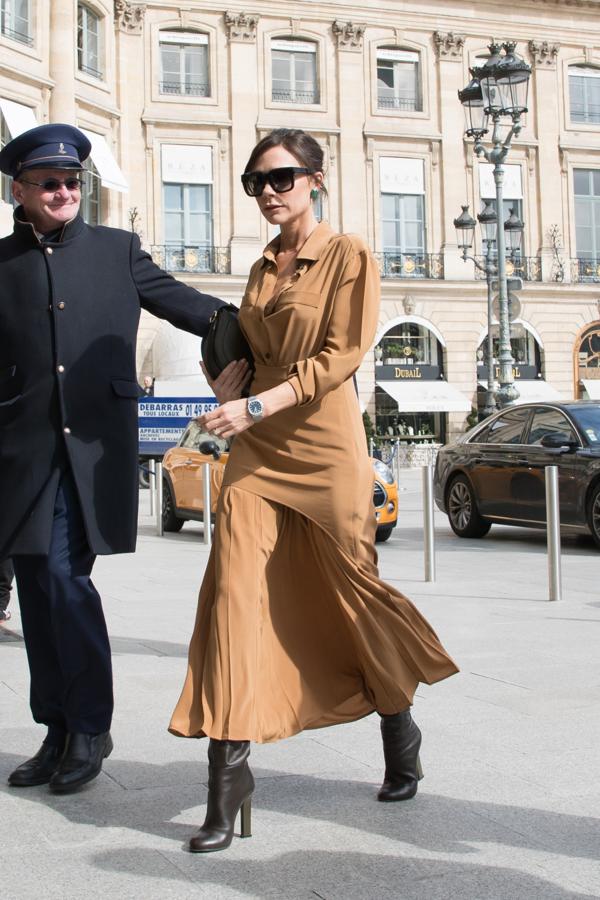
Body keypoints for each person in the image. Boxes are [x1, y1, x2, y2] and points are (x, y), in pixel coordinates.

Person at [169, 129, 458, 853]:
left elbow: (340, 356)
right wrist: (226, 388)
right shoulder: (260, 268)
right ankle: (227, 781)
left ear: (316, 180)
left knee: (352, 599)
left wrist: (258, 405)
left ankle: (398, 725)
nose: (268, 192)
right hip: (258, 451)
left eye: (282, 177)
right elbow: (253, 357)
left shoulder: (350, 254)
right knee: (234, 599)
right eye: (255, 182)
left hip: (325, 449)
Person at [0, 124, 225, 794]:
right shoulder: (1, 263)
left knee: (68, 583)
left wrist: (255, 326)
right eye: (50, 183)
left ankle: (91, 727)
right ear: (21, 190)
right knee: (37, 596)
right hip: (22, 455)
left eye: (73, 182)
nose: (65, 191)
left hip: (92, 453)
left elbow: (190, 307)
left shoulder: (118, 250)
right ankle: (56, 727)